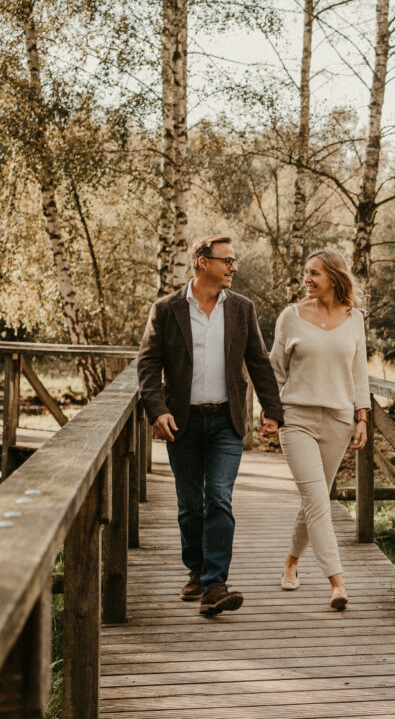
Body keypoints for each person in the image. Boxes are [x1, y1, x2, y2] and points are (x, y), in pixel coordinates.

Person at [137, 236, 283, 617]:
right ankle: (197, 571)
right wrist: (156, 409)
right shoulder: (166, 309)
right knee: (189, 505)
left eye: (234, 260)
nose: (234, 266)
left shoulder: (241, 308)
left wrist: (273, 410)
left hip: (225, 421)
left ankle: (216, 584)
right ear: (202, 262)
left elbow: (259, 361)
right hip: (181, 423)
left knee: (218, 497)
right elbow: (148, 365)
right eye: (227, 260)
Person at [269, 249, 370, 610]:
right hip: (296, 418)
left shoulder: (355, 318)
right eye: (305, 273)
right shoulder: (291, 317)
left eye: (314, 273)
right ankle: (337, 583)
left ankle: (291, 562)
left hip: (340, 421)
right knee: (317, 501)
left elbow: (359, 371)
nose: (306, 279)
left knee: (314, 499)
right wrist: (269, 412)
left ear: (334, 277)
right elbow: (275, 370)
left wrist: (362, 417)